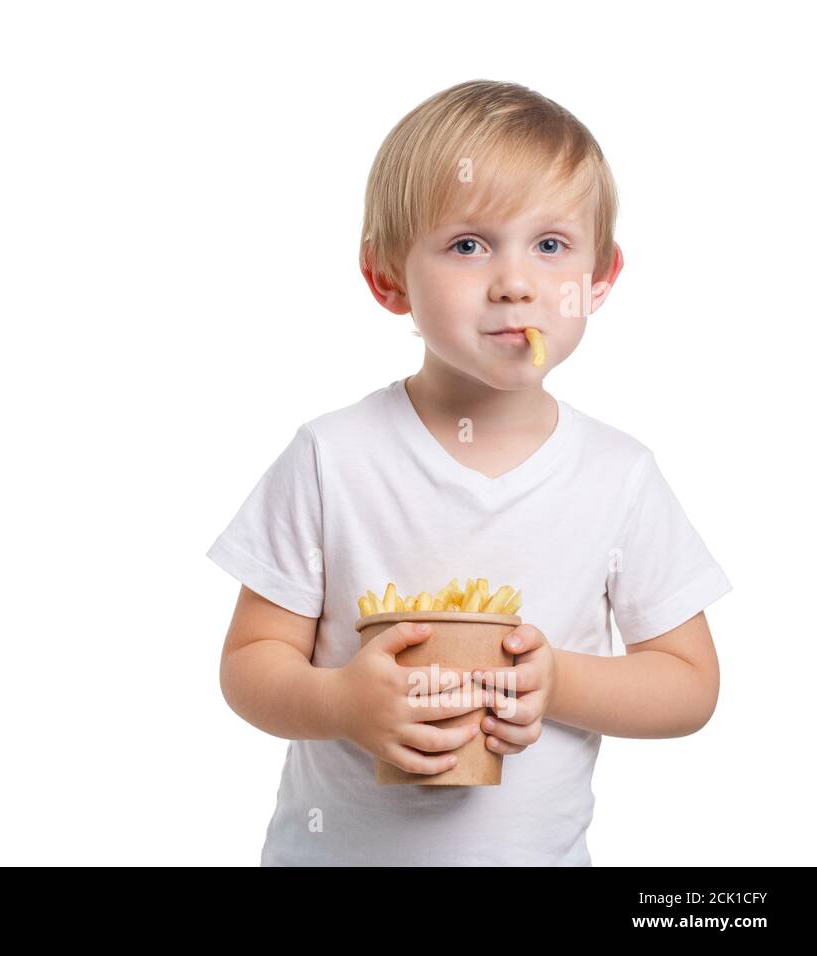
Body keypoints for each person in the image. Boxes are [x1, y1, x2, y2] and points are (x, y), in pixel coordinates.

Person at [205, 79, 731, 866]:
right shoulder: (331, 457)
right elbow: (250, 665)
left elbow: (689, 685)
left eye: (550, 246)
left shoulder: (619, 477)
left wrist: (558, 682)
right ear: (388, 279)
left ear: (599, 278)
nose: (515, 283)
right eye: (468, 245)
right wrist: (340, 702)